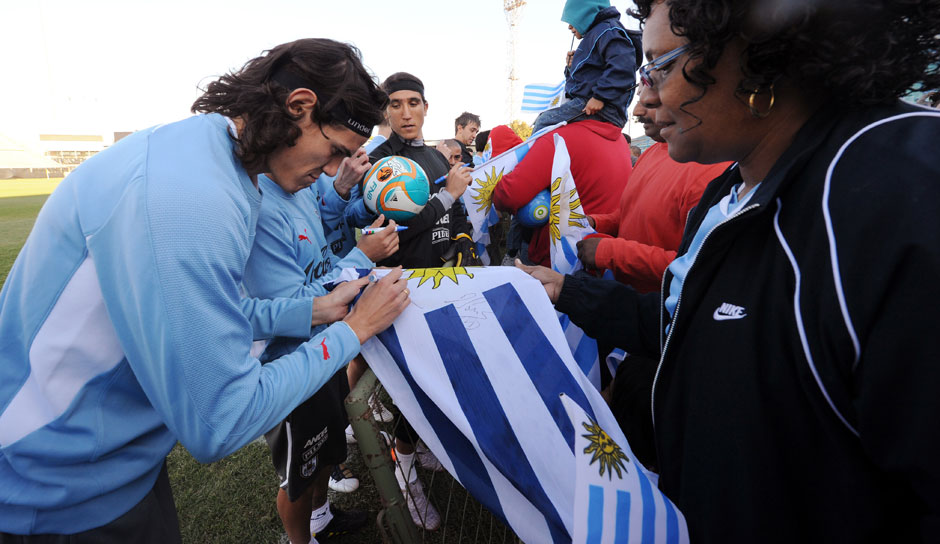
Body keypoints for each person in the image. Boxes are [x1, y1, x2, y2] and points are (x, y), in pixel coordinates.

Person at [519, 0, 940, 541]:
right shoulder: (731, 190)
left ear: (757, 51)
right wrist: (566, 289)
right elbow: (690, 326)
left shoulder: (904, 196)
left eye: (660, 67)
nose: (642, 96)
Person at [0, 38, 411, 542]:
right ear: (299, 107)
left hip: (110, 463)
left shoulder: (213, 159)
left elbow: (208, 311)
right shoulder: (192, 193)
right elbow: (222, 420)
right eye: (334, 152)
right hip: (57, 488)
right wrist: (354, 328)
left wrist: (310, 311)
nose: (332, 172)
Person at [242, 145, 401, 543]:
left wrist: (340, 194)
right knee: (299, 474)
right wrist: (362, 256)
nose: (331, 166)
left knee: (326, 453)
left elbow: (325, 243)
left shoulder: (304, 184)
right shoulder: (261, 209)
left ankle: (320, 519)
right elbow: (296, 306)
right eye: (330, 151)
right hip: (291, 366)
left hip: (330, 347)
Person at [367, 71, 475, 531]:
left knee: (438, 386)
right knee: (410, 396)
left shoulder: (435, 155)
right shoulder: (377, 160)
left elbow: (455, 215)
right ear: (386, 111)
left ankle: (421, 449)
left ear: (427, 107)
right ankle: (405, 478)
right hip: (401, 291)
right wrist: (448, 195)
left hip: (443, 284)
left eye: (414, 102)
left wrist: (463, 244)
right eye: (396, 104)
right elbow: (401, 227)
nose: (406, 112)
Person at [576, 81, 731, 293]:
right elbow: (629, 214)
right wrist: (595, 222)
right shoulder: (651, 153)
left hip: (661, 313)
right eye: (639, 98)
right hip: (625, 304)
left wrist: (612, 253)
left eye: (649, 102)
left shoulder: (712, 170)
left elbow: (696, 267)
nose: (637, 111)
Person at [492, 118, 630, 268]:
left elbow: (510, 194)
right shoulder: (621, 141)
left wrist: (494, 191)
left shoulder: (558, 137)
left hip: (557, 259)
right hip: (605, 254)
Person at [532, 0, 641, 132]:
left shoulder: (608, 30)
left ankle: (531, 153)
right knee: (544, 118)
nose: (569, 27)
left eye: (572, 19)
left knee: (545, 121)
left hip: (603, 108)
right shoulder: (597, 33)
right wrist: (572, 68)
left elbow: (623, 65)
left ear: (585, 13)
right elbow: (588, 78)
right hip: (589, 102)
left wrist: (600, 97)